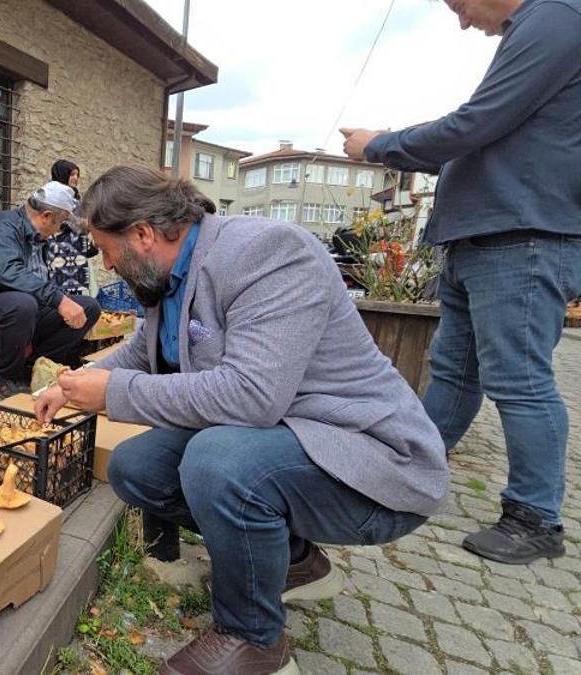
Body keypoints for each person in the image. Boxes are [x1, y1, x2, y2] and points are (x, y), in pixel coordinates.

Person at [36, 166, 447, 674]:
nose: (106, 265)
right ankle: (295, 562)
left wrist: (114, 393)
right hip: (287, 440)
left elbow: (253, 396)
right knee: (136, 466)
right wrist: (73, 383)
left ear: (141, 234)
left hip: (368, 458)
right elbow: (142, 353)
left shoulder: (267, 252)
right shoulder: (167, 277)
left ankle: (255, 640)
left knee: (217, 461)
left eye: (106, 249)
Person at [342, 0, 581, 564]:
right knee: (454, 370)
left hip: (521, 234)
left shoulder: (558, 18)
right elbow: (488, 133)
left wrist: (380, 144)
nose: (462, 20)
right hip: (489, 233)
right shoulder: (541, 28)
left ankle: (535, 518)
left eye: (459, 4)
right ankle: (411, 468)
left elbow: (476, 124)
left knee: (518, 380)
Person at [0, 181, 101, 399]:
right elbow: (9, 273)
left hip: (26, 309)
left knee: (88, 307)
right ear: (47, 215)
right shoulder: (2, 226)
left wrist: (63, 301)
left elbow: (38, 282)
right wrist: (59, 300)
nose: (59, 230)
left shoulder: (39, 237)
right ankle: (5, 378)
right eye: (60, 223)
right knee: (22, 304)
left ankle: (34, 366)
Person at [45, 160, 98, 296]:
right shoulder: (51, 195)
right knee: (57, 288)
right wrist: (78, 223)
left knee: (77, 292)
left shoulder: (75, 197)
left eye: (77, 175)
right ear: (62, 174)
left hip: (77, 250)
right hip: (58, 249)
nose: (75, 178)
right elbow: (54, 220)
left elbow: (83, 221)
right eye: (72, 174)